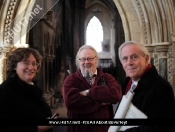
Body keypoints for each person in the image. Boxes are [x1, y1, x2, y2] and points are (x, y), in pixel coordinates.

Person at [117, 41, 175, 132]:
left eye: (134, 57)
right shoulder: (126, 83)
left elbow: (158, 129)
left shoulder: (162, 88)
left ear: (147, 59)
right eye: (125, 58)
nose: (129, 63)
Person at [63, 45, 122, 132]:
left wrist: (89, 92)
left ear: (96, 59)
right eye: (83, 59)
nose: (86, 62)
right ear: (78, 61)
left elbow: (116, 94)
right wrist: (101, 100)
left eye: (90, 58)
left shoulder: (107, 77)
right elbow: (70, 101)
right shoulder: (71, 79)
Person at [0, 48, 58, 132]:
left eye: (34, 64)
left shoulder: (32, 88)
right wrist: (36, 128)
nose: (31, 67)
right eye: (26, 63)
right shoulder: (5, 91)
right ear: (14, 66)